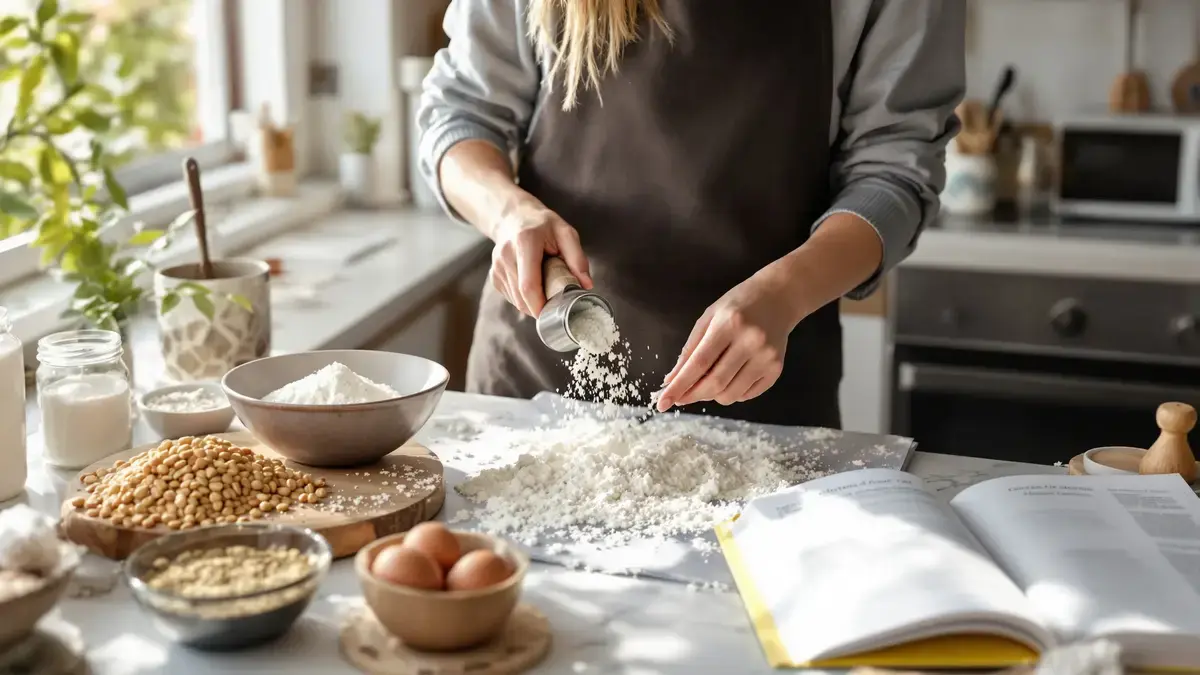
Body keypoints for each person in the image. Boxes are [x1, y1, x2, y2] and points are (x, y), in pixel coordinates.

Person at [419, 0, 965, 428]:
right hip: (537, 381)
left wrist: (787, 293)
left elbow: (894, 172)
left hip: (763, 395)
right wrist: (509, 214)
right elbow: (462, 113)